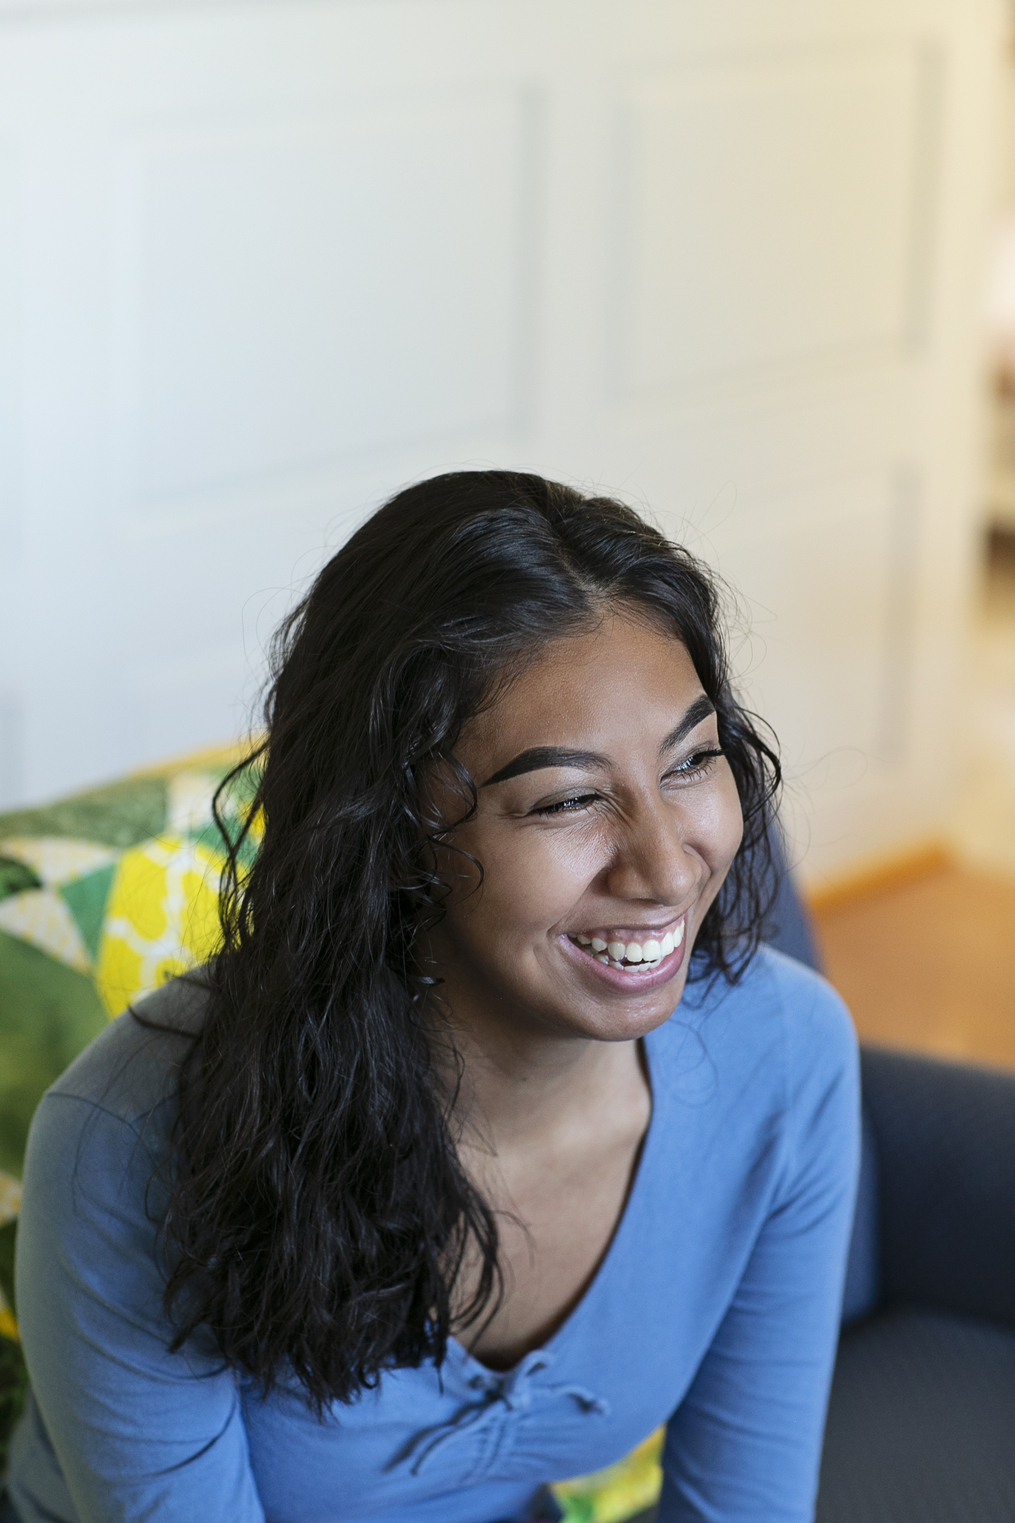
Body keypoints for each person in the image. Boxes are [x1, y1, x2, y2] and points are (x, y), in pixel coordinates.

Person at [4, 471, 860, 1523]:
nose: (667, 868)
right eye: (569, 797)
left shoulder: (787, 1051)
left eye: (690, 760)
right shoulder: (128, 1138)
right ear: (393, 831)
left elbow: (741, 1508)